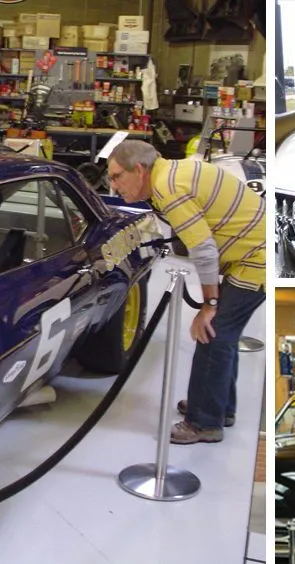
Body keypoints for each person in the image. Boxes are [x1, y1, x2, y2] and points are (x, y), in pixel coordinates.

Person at [108, 140, 265, 445]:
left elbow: (204, 251)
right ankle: (220, 408)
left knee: (212, 332)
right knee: (224, 335)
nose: (113, 186)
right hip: (252, 253)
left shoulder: (169, 188)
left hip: (254, 260)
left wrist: (209, 304)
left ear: (139, 170)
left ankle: (204, 423)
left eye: (117, 177)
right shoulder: (171, 173)